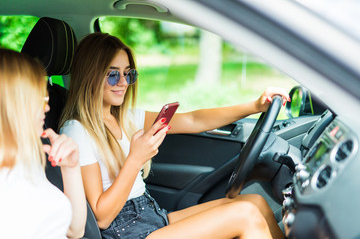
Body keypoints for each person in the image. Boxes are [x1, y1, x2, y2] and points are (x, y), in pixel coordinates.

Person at [59, 32, 290, 239]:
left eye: (129, 74)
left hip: (151, 215)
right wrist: (135, 159)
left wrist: (255, 105)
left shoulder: (126, 117)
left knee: (255, 201)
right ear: (90, 76)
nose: (123, 83)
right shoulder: (77, 131)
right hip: (126, 232)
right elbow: (101, 218)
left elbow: (193, 120)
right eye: (112, 75)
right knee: (245, 214)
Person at [0, 48, 87, 239]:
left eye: (46, 98)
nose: (47, 107)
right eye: (39, 100)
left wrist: (70, 168)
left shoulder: (27, 157)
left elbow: (75, 230)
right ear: (11, 105)